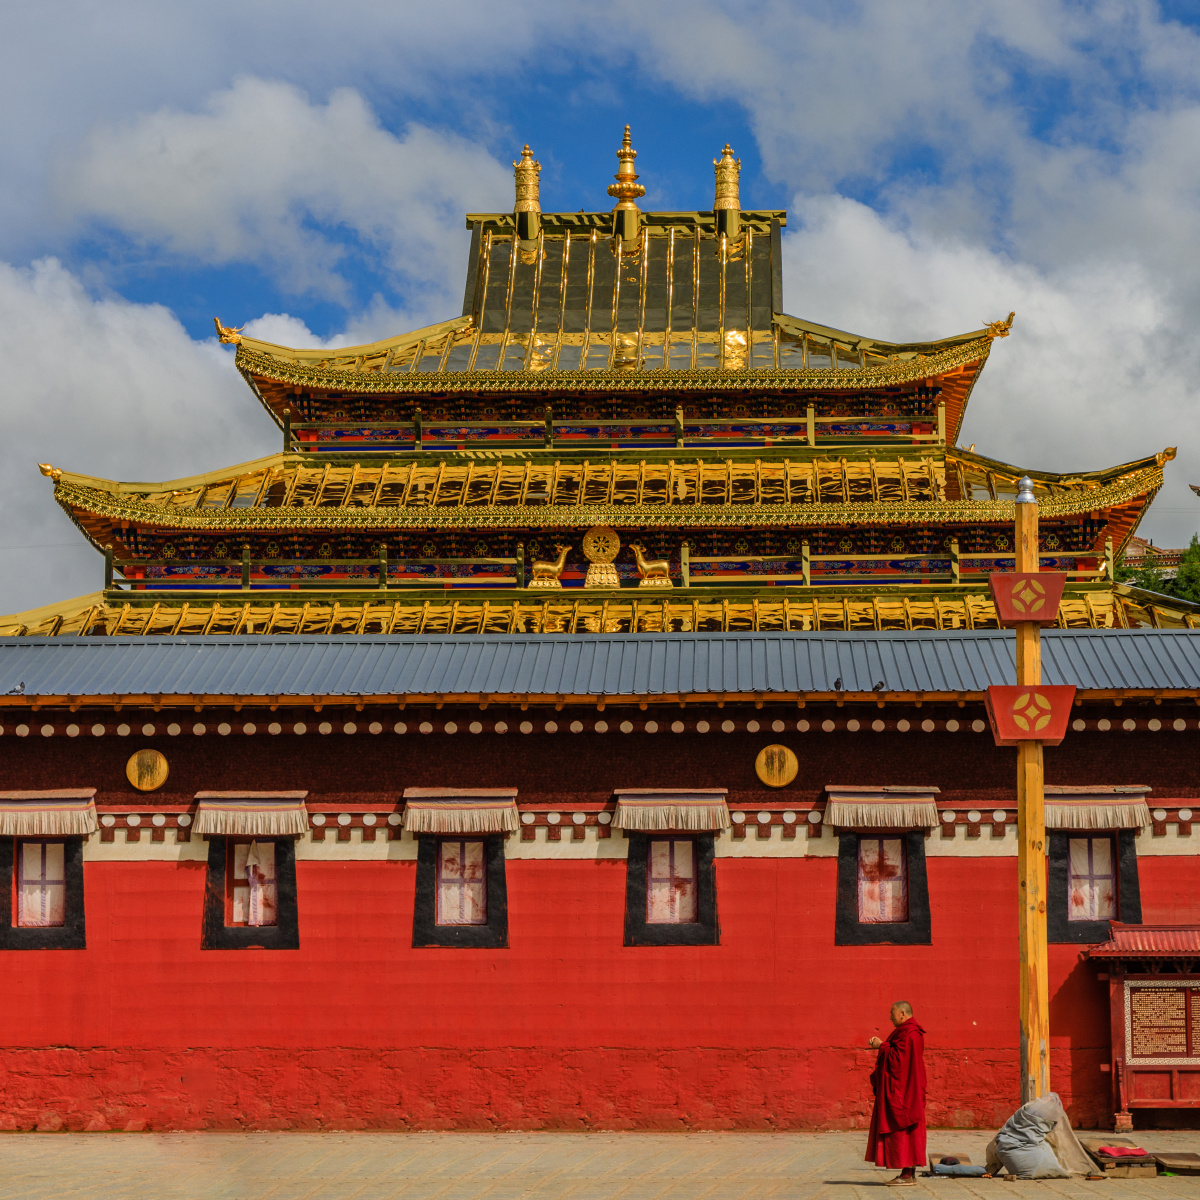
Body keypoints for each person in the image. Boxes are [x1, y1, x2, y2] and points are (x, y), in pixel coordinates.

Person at [865, 1001, 927, 1186]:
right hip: (908, 1087)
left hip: (905, 1091)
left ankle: (908, 1175)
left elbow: (900, 1060)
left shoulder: (911, 1033)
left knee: (905, 1128)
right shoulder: (907, 1032)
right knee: (910, 1130)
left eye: (892, 1013)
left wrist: (881, 1046)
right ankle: (908, 1172)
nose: (890, 1017)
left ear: (902, 1013)